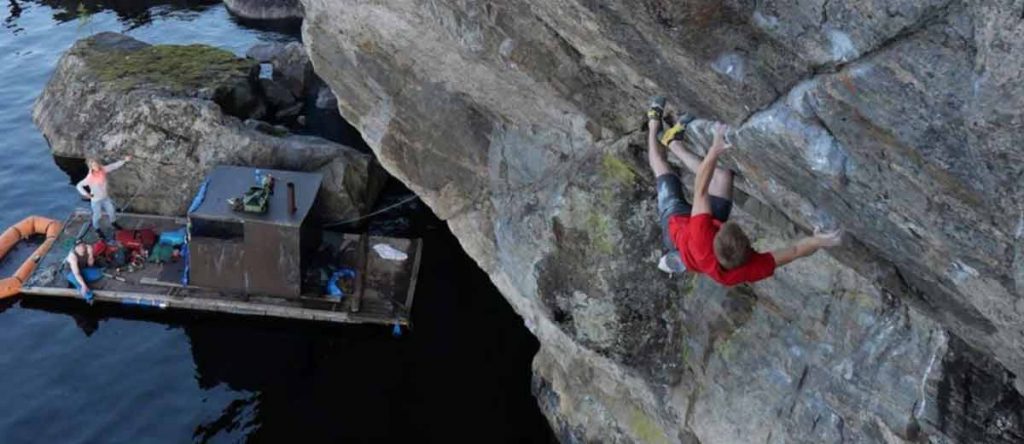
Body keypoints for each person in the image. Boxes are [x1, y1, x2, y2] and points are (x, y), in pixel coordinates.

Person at [645, 97, 842, 286]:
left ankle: (657, 125)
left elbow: (701, 190)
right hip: (696, 236)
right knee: (722, 178)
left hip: (675, 227)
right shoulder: (745, 269)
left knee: (663, 171)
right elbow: (795, 251)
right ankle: (667, 137)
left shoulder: (703, 238)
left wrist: (715, 150)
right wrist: (818, 241)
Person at [76, 156, 132, 239]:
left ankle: (113, 223)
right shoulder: (90, 178)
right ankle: (97, 228)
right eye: (94, 165)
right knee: (97, 215)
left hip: (105, 197)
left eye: (97, 164)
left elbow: (113, 166)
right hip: (96, 200)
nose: (96, 166)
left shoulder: (103, 170)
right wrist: (86, 194)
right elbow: (79, 185)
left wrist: (124, 160)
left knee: (111, 211)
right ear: (91, 167)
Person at [66, 238, 102, 303]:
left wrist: (90, 254)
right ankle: (89, 297)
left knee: (100, 273)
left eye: (82, 245)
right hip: (72, 273)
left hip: (83, 270)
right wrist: (83, 285)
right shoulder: (72, 256)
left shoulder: (88, 248)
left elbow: (90, 265)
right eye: (78, 246)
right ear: (75, 248)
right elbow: (76, 273)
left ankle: (79, 281)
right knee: (79, 283)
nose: (81, 247)